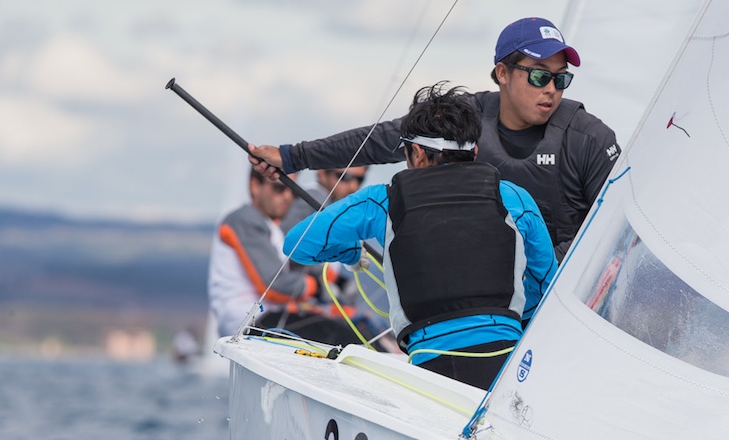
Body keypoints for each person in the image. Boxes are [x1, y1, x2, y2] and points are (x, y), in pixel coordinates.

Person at [250, 17, 620, 262]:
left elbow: (616, 229)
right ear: (502, 73)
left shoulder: (589, 138)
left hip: (555, 301)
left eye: (561, 78)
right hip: (478, 292)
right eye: (540, 76)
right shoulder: (463, 119)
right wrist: (294, 157)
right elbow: (378, 141)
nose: (552, 89)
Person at [283, 83, 557, 390]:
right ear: (475, 152)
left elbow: (297, 244)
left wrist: (350, 252)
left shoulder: (381, 201)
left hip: (431, 368)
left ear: (416, 153)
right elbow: (546, 284)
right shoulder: (515, 199)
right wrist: (511, 321)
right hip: (506, 362)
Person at [207, 167, 363, 345]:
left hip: (271, 317)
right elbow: (274, 285)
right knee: (343, 338)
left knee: (351, 330)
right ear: (255, 186)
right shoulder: (244, 219)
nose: (288, 197)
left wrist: (337, 283)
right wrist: (317, 288)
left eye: (293, 191)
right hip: (247, 320)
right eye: (279, 188)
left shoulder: (270, 226)